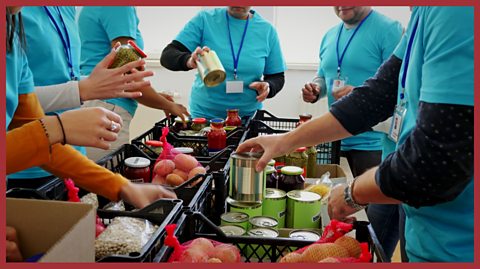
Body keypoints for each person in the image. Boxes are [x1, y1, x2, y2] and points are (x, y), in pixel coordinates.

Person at [237, 6, 473, 262]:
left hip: (459, 245)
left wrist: (353, 193)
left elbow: (435, 162)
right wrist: (285, 141)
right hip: (427, 234)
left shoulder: (454, 11)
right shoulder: (423, 14)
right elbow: (375, 96)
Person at [301, 6, 403, 259]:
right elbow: (324, 76)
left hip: (374, 143)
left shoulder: (389, 29)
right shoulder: (330, 35)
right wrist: (316, 89)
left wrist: (360, 95)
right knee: (334, 219)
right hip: (334, 140)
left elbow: (398, 83)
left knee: (373, 228)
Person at [7, 6, 152, 181]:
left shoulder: (65, 8)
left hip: (69, 156)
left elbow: (63, 77)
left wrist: (101, 82)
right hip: (25, 164)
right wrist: (82, 90)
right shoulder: (15, 15)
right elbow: (18, 99)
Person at [77, 6, 190, 161]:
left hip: (95, 101)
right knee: (105, 179)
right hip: (107, 107)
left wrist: (158, 98)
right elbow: (127, 72)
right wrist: (168, 105)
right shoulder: (120, 8)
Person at [160, 6, 286, 120]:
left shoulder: (267, 31)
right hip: (204, 117)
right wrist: (188, 61)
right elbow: (167, 56)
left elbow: (277, 76)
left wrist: (268, 86)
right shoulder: (205, 20)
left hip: (247, 118)